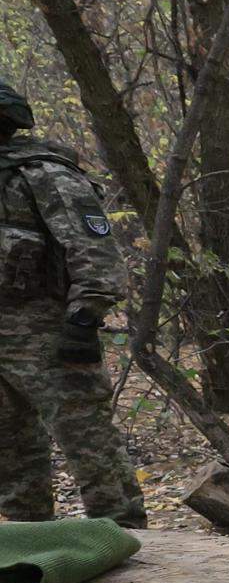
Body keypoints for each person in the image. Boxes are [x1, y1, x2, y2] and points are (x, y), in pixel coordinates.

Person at [0, 78, 146, 530]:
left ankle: (125, 537)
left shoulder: (45, 175)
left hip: (49, 333)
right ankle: (29, 541)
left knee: (88, 440)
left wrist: (83, 322)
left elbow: (96, 252)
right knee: (10, 449)